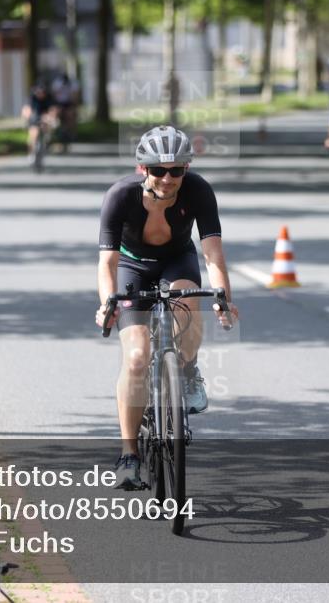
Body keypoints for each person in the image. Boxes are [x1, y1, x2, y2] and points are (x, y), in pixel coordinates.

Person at [95, 125, 239, 490]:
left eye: (177, 170)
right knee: (137, 358)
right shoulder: (120, 196)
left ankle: (187, 371)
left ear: (186, 170)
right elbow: (107, 264)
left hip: (177, 261)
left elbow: (213, 255)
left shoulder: (199, 191)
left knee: (190, 303)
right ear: (142, 169)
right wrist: (106, 304)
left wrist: (223, 298)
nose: (168, 178)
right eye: (159, 170)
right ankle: (129, 455)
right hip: (132, 267)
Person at [21, 82, 57, 163]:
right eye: (38, 92)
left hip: (45, 117)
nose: (40, 94)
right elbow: (26, 110)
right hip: (34, 117)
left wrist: (51, 118)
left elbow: (53, 110)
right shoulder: (31, 98)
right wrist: (27, 117)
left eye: (42, 92)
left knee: (47, 126)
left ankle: (46, 140)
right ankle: (30, 153)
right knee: (33, 136)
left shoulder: (48, 98)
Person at [51, 73, 80, 142]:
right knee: (56, 115)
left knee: (71, 116)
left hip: (69, 103)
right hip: (59, 103)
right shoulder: (57, 83)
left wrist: (74, 106)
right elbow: (54, 94)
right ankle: (56, 132)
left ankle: (72, 134)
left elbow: (75, 96)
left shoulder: (72, 84)